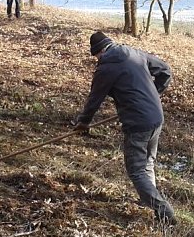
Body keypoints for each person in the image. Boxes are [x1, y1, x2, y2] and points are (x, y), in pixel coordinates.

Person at [72, 31, 175, 225]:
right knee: (148, 163)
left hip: (138, 124)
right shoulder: (134, 53)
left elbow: (94, 100)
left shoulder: (106, 68)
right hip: (156, 116)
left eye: (96, 56)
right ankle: (149, 200)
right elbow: (165, 70)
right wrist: (153, 95)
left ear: (100, 51)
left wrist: (83, 122)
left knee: (136, 170)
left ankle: (163, 210)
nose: (97, 60)